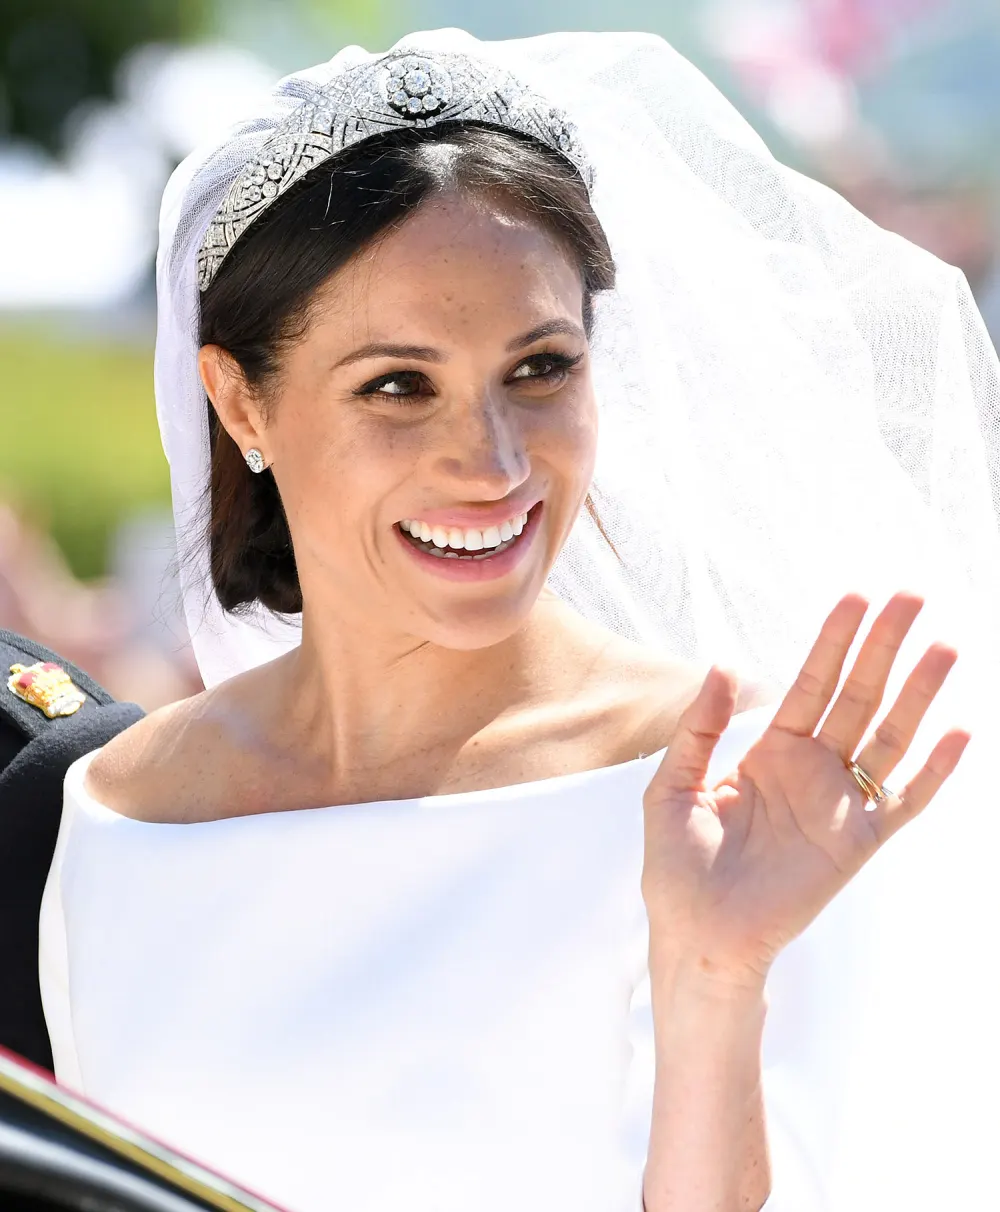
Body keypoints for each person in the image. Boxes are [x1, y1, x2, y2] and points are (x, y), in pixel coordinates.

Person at [36, 29, 1000, 1212]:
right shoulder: (114, 816)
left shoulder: (744, 796)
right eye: (398, 386)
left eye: (539, 369)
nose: (491, 464)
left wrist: (716, 979)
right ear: (240, 403)